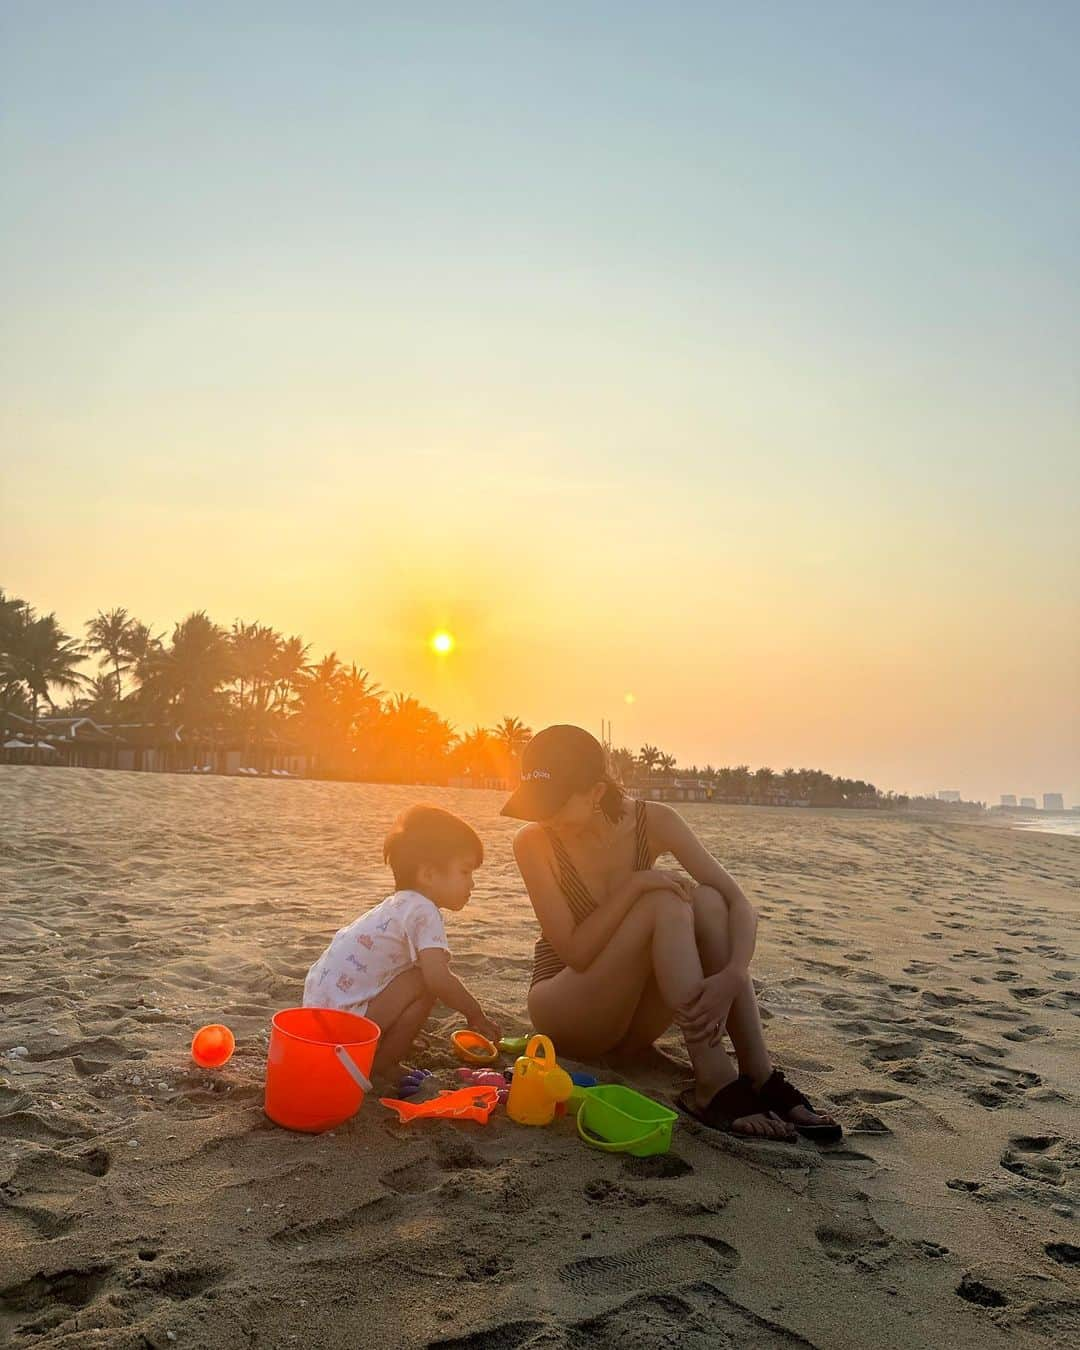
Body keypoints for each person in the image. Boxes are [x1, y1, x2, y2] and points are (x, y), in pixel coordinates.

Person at [503, 726, 841, 1142]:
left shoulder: (653, 821)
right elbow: (575, 952)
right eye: (537, 804)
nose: (544, 816)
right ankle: (713, 1081)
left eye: (554, 804)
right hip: (568, 1007)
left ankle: (758, 1073)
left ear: (595, 792)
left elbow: (738, 903)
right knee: (663, 900)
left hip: (632, 1027)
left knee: (709, 902)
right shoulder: (534, 841)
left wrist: (734, 973)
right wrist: (636, 884)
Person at [303, 803, 500, 1078]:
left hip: (318, 1019)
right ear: (428, 874)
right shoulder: (424, 911)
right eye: (465, 872)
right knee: (425, 981)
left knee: (413, 973)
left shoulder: (397, 906)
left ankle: (384, 1041)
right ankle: (383, 1065)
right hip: (345, 1029)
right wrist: (474, 1013)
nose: (472, 884)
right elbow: (437, 978)